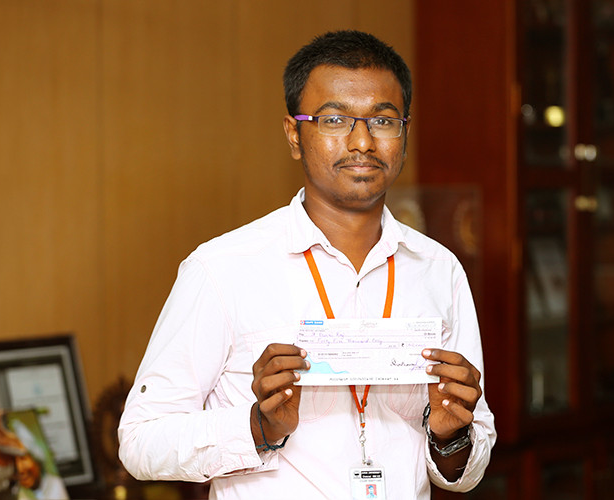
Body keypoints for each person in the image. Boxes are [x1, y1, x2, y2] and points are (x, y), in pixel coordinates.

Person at [118, 30, 494, 499]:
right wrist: (258, 426)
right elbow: (139, 442)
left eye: (383, 120)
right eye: (334, 119)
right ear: (294, 134)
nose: (361, 141)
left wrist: (450, 436)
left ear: (405, 133)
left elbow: (467, 464)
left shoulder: (439, 271)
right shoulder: (222, 269)